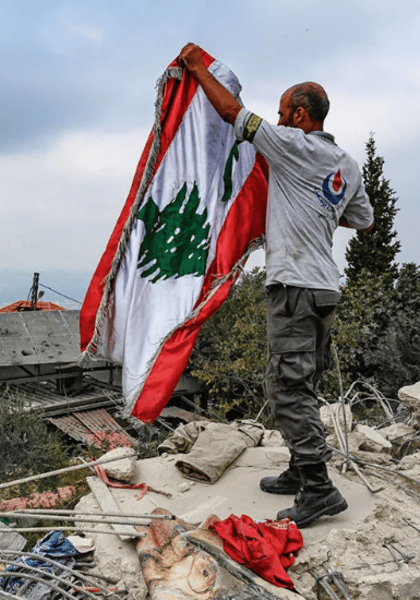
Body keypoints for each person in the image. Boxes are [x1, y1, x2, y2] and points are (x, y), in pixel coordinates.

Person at [177, 43, 374, 528]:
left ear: (301, 115)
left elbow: (232, 114)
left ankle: (319, 489)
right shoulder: (346, 164)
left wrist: (197, 66)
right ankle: (299, 469)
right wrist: (318, 206)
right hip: (324, 289)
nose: (280, 120)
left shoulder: (295, 145)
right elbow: (363, 219)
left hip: (295, 288)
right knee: (302, 381)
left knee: (287, 388)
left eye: (284, 113)